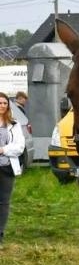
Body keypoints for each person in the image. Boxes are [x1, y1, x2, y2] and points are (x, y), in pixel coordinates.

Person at [0, 92, 24, 245]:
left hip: (6, 168)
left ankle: (0, 233)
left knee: (3, 202)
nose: (2, 106)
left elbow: (19, 147)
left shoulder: (14, 125)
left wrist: (3, 150)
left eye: (4, 103)